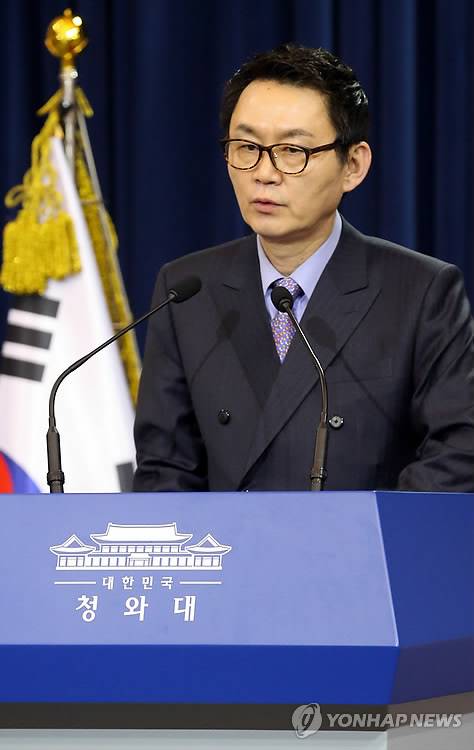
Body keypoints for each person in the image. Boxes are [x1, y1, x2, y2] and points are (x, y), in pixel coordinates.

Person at [133, 44, 474, 493]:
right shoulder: (186, 291)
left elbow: (457, 454)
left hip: (361, 539)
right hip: (229, 540)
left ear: (353, 165)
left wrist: (358, 531)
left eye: (292, 150)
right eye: (247, 147)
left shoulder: (421, 291)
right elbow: (164, 472)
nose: (264, 173)